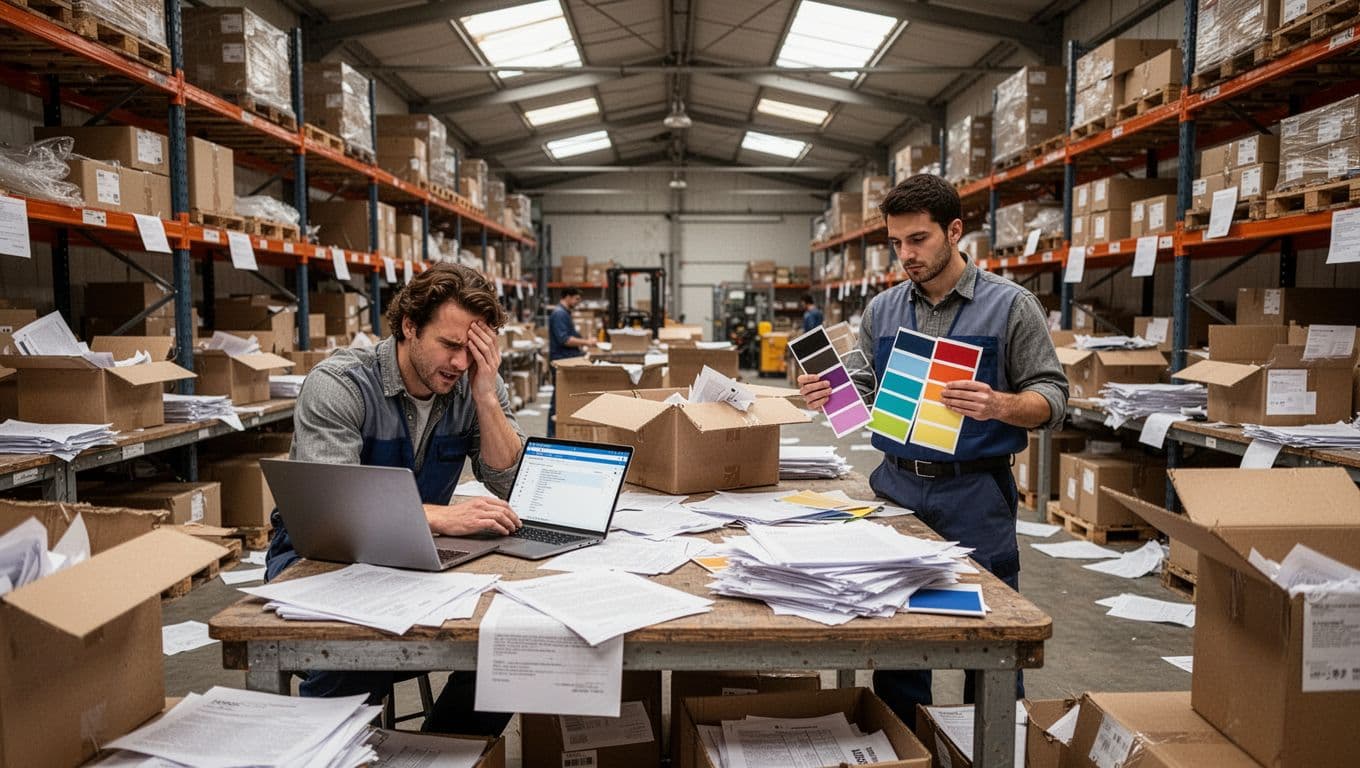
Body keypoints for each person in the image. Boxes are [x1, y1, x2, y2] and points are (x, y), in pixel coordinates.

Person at [797, 174, 1068, 727]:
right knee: (897, 636)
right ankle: (902, 749)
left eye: (918, 240)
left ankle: (989, 747)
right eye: (896, 243)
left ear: (955, 230)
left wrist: (999, 405)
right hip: (896, 487)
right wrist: (824, 395)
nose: (906, 255)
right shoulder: (883, 311)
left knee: (988, 635)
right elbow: (864, 390)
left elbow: (1054, 395)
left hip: (975, 492)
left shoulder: (1010, 307)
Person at [265, 263, 526, 735]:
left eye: (472, 350)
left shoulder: (472, 382)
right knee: (353, 655)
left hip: (416, 559)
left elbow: (512, 483)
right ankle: (329, 745)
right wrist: (443, 518)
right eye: (450, 345)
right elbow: (332, 512)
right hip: (322, 559)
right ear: (409, 326)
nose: (460, 363)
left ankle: (444, 751)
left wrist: (486, 398)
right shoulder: (341, 385)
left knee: (515, 646)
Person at [547, 286, 595, 437]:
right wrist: (587, 342)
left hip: (567, 359)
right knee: (559, 399)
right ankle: (553, 435)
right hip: (561, 361)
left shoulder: (565, 313)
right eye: (576, 299)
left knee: (563, 398)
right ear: (567, 296)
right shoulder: (559, 314)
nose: (577, 302)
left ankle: (558, 433)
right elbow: (564, 339)